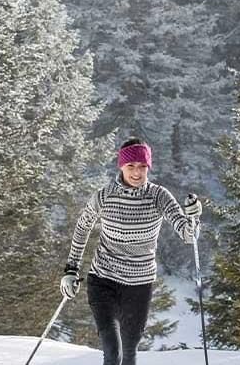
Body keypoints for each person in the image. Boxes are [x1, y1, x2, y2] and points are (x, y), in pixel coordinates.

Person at [60, 137, 202, 365]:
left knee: (129, 353)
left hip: (139, 285)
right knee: (112, 351)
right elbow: (82, 227)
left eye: (143, 166)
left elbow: (188, 235)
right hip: (103, 281)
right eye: (131, 166)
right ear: (121, 166)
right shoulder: (104, 196)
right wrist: (71, 269)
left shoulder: (159, 196)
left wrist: (193, 217)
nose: (137, 172)